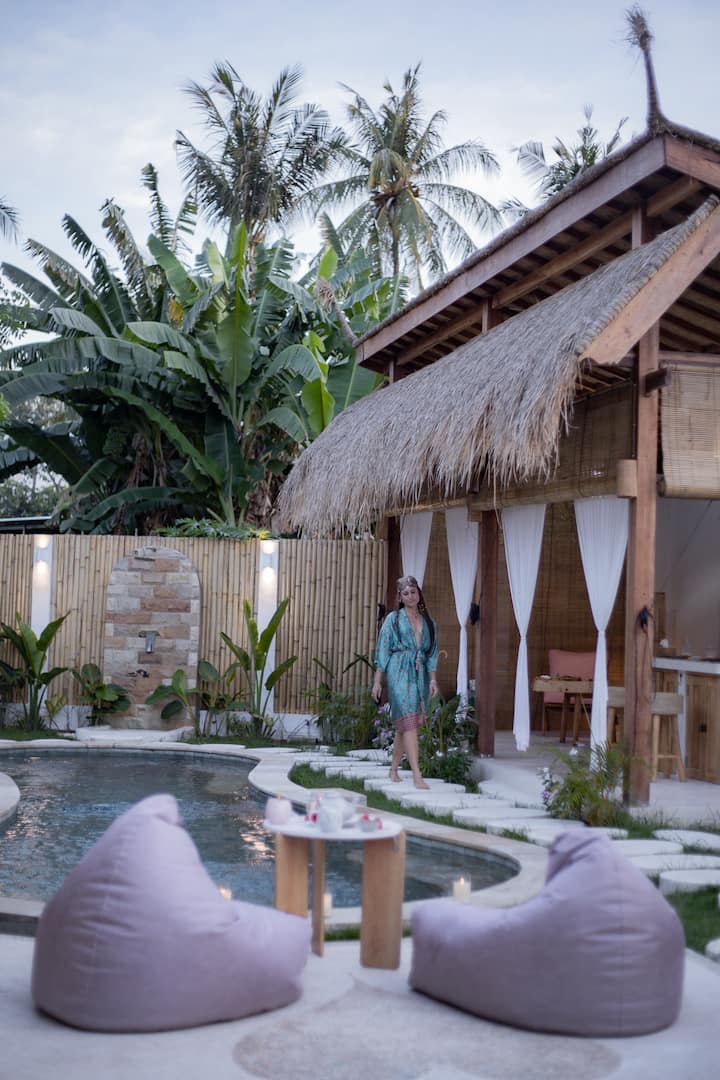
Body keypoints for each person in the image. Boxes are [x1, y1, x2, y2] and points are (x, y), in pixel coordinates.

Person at [372, 575, 439, 790]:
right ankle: (417, 775)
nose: (410, 596)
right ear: (400, 597)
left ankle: (393, 769)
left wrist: (433, 681)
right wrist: (378, 682)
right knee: (409, 723)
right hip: (398, 671)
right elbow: (383, 650)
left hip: (419, 674)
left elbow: (432, 653)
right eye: (406, 593)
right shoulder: (393, 619)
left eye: (413, 592)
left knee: (406, 724)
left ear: (419, 593)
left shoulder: (429, 622)